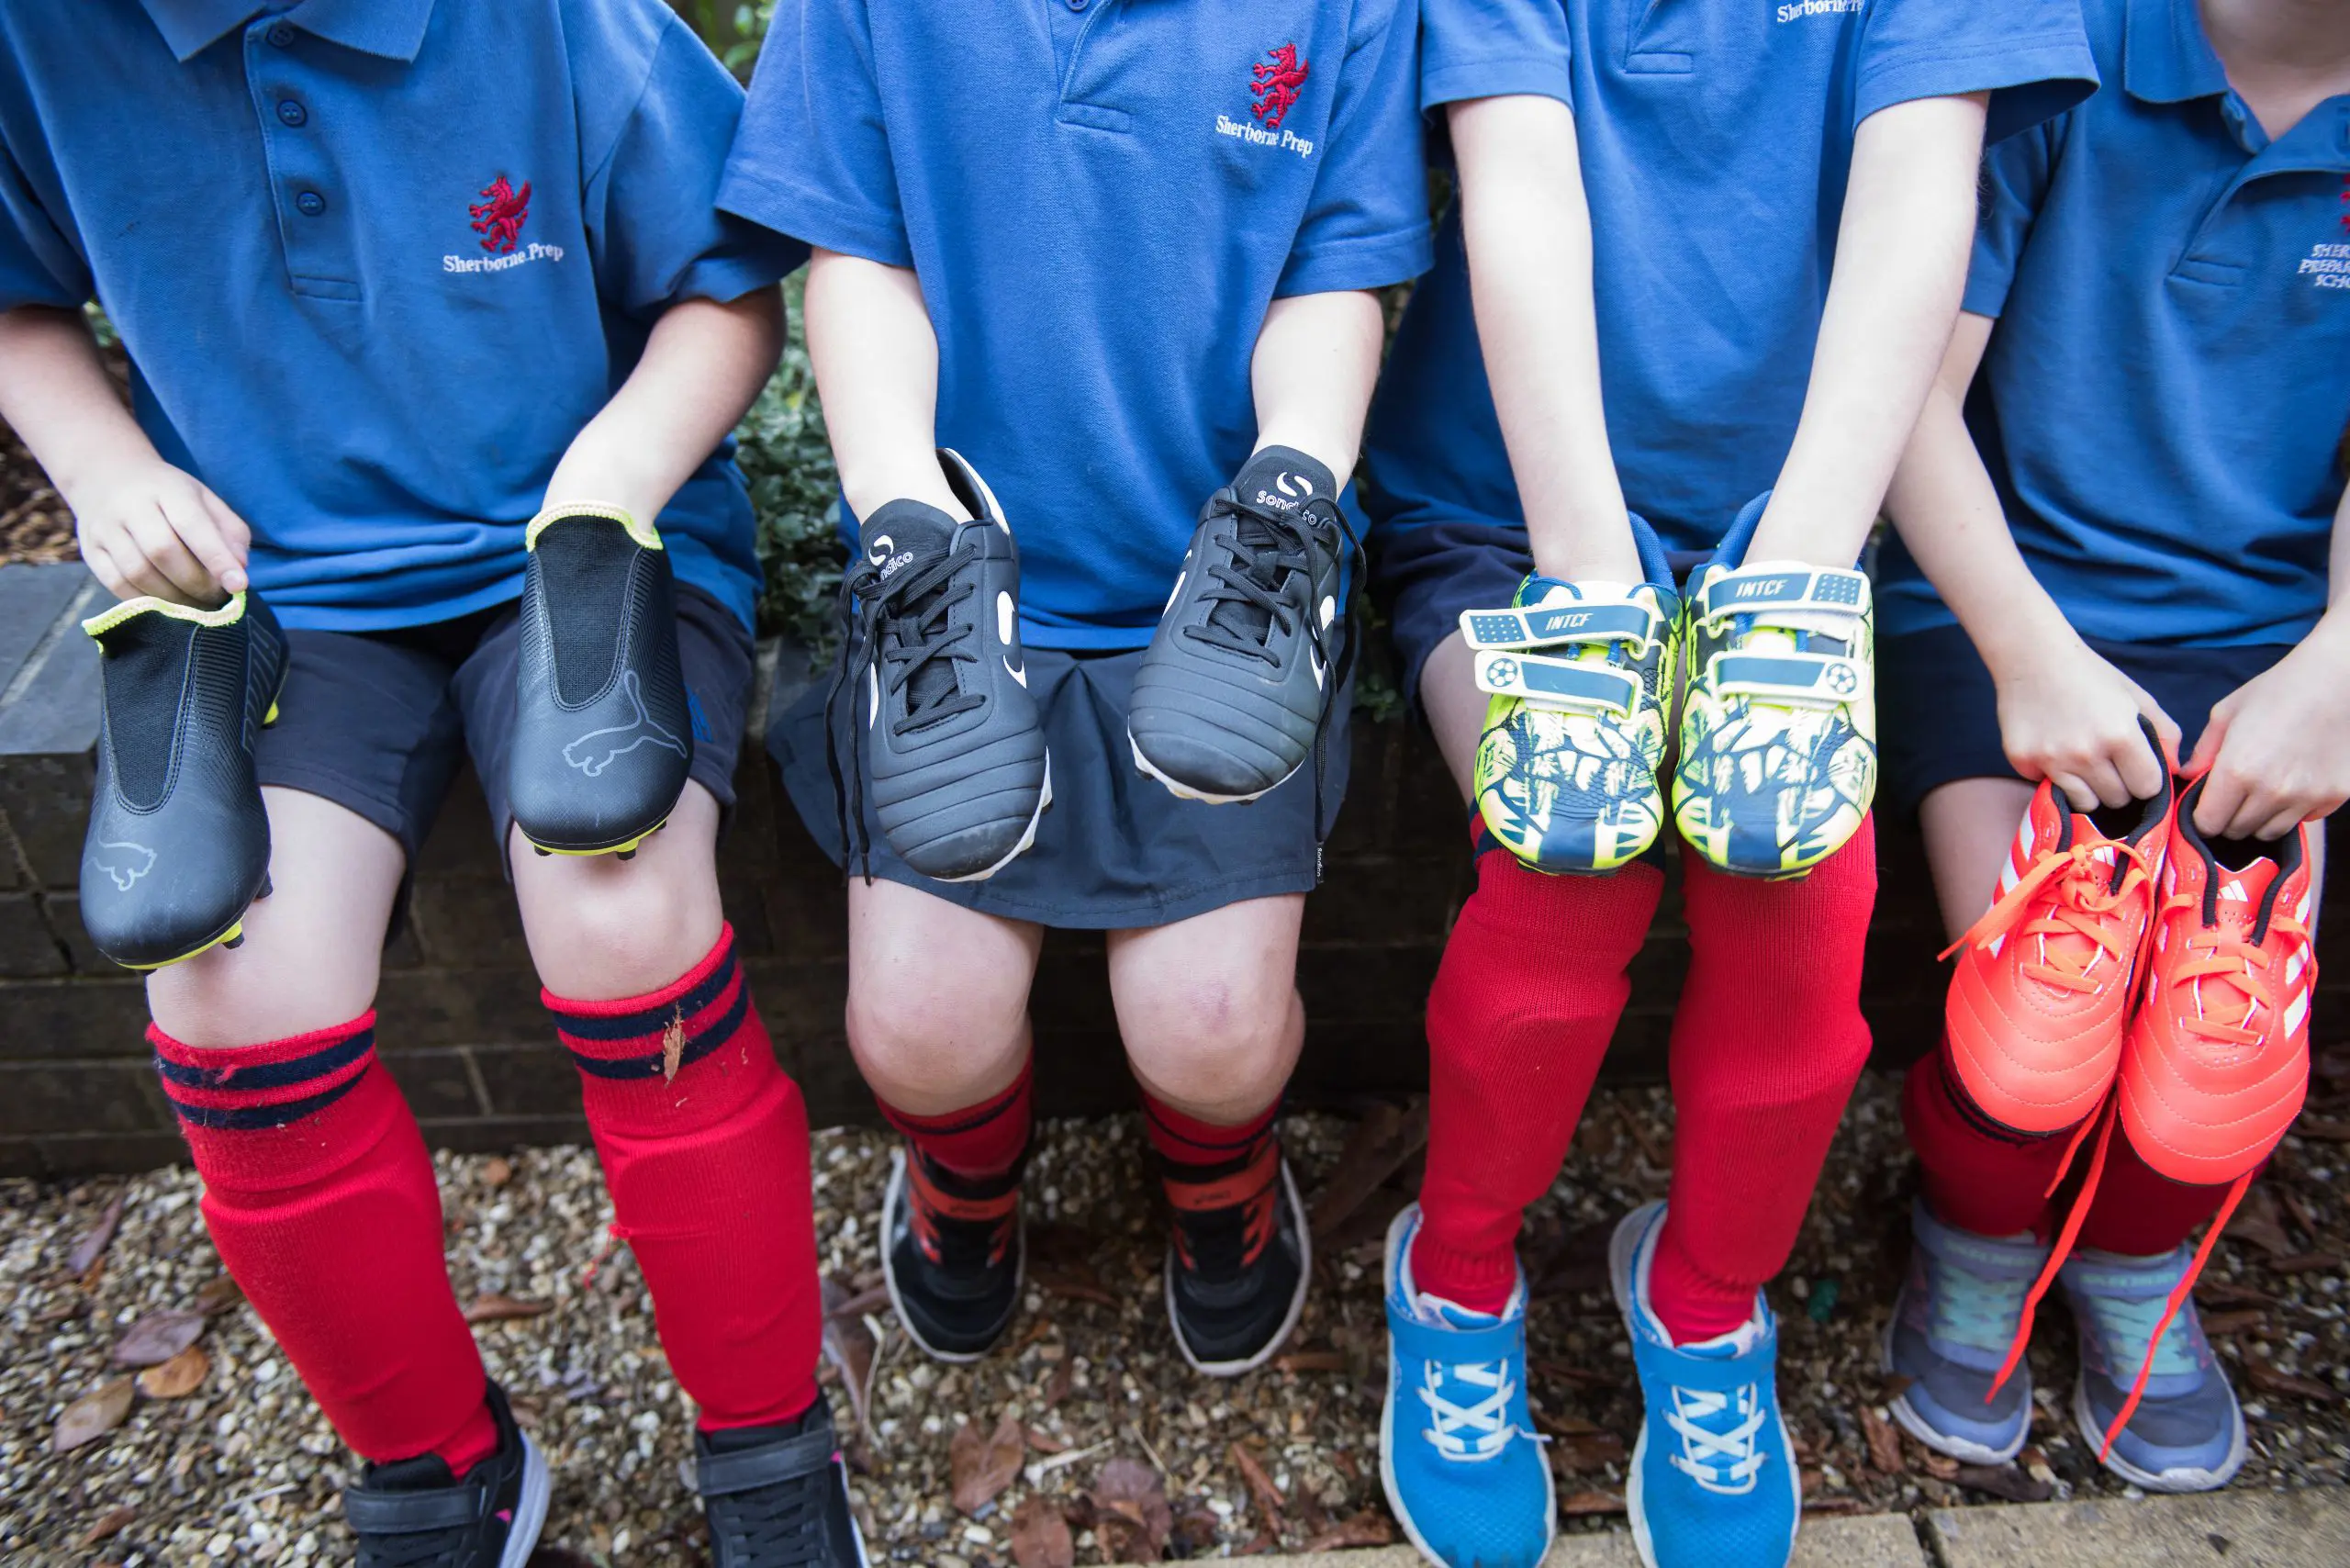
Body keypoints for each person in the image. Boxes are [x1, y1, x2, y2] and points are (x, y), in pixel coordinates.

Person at [0, 4, 863, 1565]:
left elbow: (726, 295)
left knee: (624, 911)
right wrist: (109, 471)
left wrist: (607, 482)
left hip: (589, 525)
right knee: (220, 996)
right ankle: (443, 1462)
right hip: (281, 588)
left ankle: (767, 1440)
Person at [1359, 2, 2097, 1564]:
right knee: (1566, 854)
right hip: (1515, 510)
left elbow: (1917, 211)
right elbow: (1520, 189)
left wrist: (1798, 592)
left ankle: (1702, 1304)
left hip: (1793, 513)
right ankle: (1458, 1272)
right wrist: (1590, 597)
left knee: (1806, 900)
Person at [718, 2, 1430, 1377]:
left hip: (1222, 582)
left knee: (1215, 1038)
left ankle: (1221, 1184)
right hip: (955, 576)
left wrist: (1295, 475)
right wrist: (905, 516)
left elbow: (1330, 279)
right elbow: (858, 261)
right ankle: (964, 1190)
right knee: (918, 1033)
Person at [1876, 0, 2350, 1497]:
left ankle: (2138, 1267)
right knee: (2038, 1028)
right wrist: (2026, 652)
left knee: (2221, 1035)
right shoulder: (2065, 38)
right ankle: (1973, 1237)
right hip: (2006, 610)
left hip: (2275, 644)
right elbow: (1909, 392)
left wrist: (2333, 674)